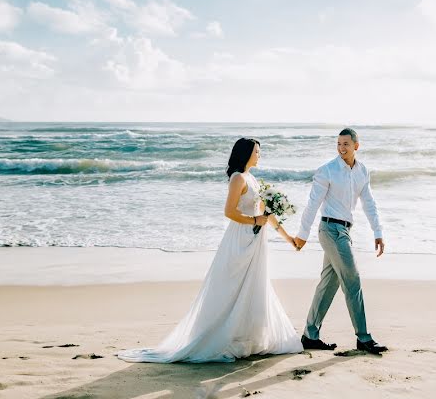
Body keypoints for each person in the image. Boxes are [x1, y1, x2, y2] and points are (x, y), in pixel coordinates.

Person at [117, 137, 303, 362]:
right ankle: (224, 337)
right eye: (256, 151)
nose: (259, 155)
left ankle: (247, 339)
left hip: (256, 242)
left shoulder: (253, 179)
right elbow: (230, 212)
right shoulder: (238, 178)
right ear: (246, 154)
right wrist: (255, 220)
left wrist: (288, 237)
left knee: (255, 286)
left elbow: (267, 214)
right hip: (239, 239)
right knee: (232, 288)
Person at [293, 127, 389, 355]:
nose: (341, 148)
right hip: (330, 230)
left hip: (345, 231)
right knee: (352, 280)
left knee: (329, 283)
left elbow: (369, 203)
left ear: (357, 145)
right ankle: (363, 338)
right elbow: (313, 203)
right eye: (338, 144)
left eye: (346, 143)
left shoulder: (362, 171)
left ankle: (310, 335)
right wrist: (302, 235)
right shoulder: (327, 170)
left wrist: (378, 231)